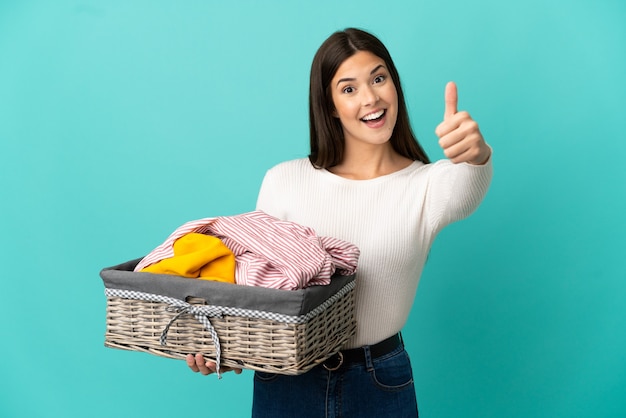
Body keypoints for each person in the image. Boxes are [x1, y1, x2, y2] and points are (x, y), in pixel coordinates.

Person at [186, 27, 492, 417]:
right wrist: (223, 349)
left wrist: (476, 153)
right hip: (286, 379)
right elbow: (257, 286)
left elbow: (469, 184)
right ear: (329, 105)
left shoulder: (428, 185)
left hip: (378, 380)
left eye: (379, 78)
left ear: (394, 86)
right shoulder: (284, 180)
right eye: (348, 89)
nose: (370, 98)